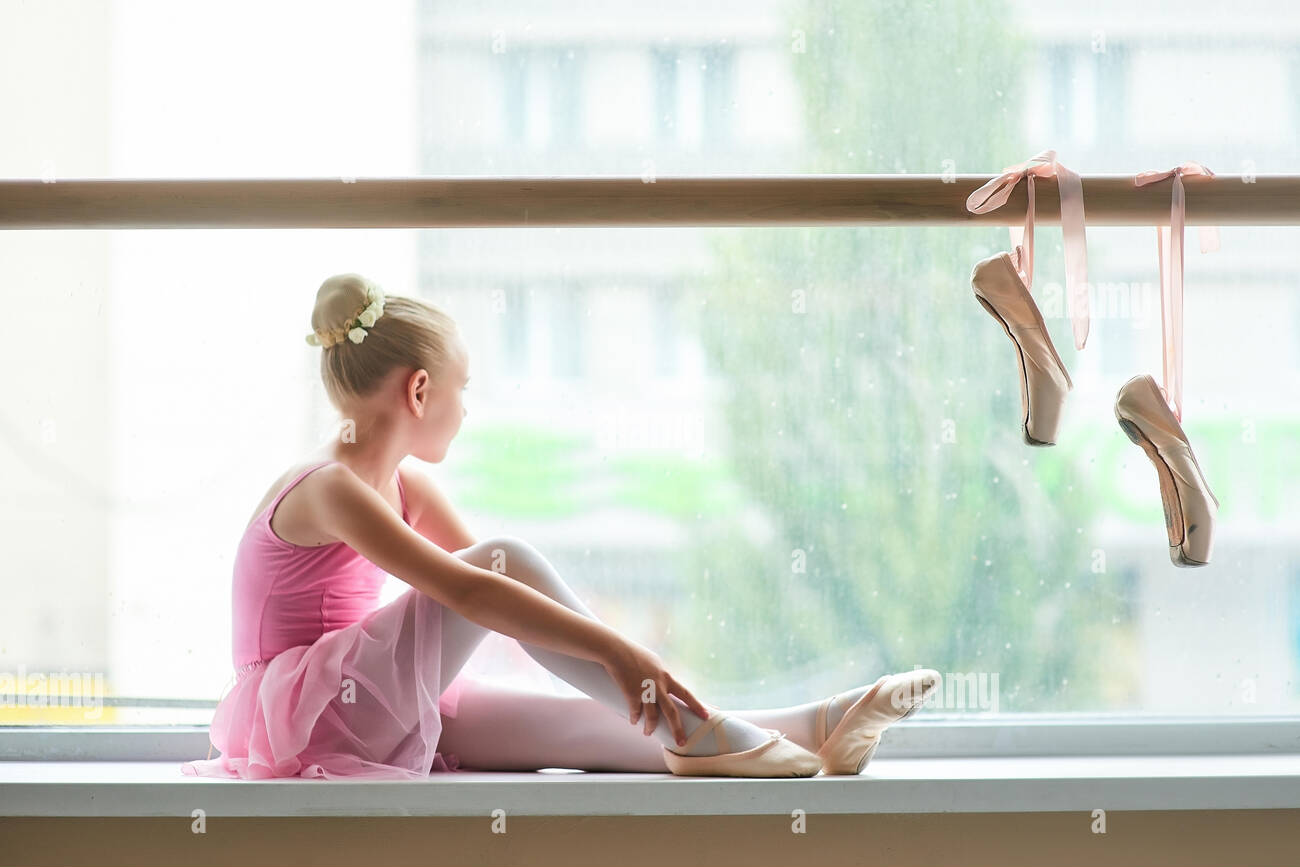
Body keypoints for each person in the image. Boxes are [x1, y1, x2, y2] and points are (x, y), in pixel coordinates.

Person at [181, 273, 937, 781]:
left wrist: (610, 663)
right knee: (507, 560)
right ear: (418, 390)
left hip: (362, 697)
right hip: (310, 717)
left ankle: (818, 725)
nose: (467, 407)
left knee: (579, 726)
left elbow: (501, 612)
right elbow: (477, 587)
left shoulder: (396, 481)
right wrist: (617, 646)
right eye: (461, 388)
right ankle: (709, 734)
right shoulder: (334, 488)